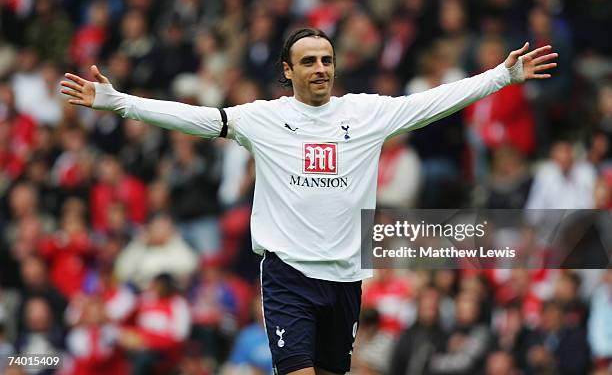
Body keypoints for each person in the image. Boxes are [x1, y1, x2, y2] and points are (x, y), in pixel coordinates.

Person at [61, 27, 558, 375]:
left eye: (326, 60)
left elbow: (435, 101)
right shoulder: (262, 118)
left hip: (345, 278)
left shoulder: (367, 114)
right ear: (287, 70)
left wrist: (502, 76)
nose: (320, 69)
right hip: (288, 275)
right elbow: (196, 118)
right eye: (309, 61)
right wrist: (120, 102)